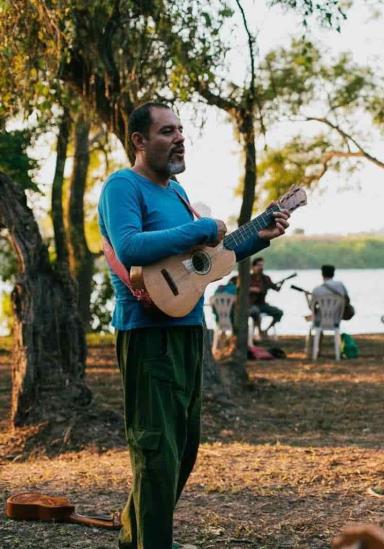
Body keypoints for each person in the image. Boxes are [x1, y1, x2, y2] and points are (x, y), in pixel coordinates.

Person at [98, 102, 289, 548]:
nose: (180, 138)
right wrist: (201, 227)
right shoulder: (123, 186)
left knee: (183, 448)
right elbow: (129, 247)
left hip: (188, 330)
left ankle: (135, 534)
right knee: (155, 450)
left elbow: (198, 267)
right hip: (146, 335)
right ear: (139, 141)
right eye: (167, 131)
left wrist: (254, 240)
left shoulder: (177, 193)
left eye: (181, 130)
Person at [249, 257, 284, 337]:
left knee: (279, 312)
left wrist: (281, 283)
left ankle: (266, 331)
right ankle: (259, 331)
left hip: (262, 304)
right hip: (251, 305)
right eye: (258, 265)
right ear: (253, 267)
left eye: (262, 265)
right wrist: (252, 289)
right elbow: (240, 288)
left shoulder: (266, 279)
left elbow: (276, 288)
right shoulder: (248, 278)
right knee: (255, 312)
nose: (261, 267)